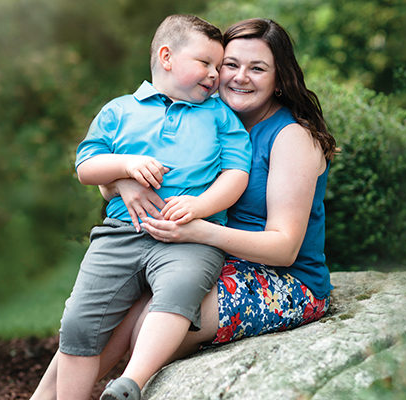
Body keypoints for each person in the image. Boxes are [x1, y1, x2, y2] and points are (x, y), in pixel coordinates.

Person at [30, 17, 336, 400]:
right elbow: (112, 184)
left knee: (147, 322)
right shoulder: (203, 116)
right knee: (103, 310)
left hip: (283, 277)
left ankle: (125, 388)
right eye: (230, 65)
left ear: (280, 78)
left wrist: (199, 231)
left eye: (258, 68)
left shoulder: (290, 137)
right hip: (200, 250)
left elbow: (285, 248)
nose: (239, 77)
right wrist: (124, 176)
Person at [54, 14, 251, 400]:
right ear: (166, 57)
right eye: (205, 63)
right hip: (120, 235)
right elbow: (86, 166)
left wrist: (199, 205)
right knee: (78, 321)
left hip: (190, 240)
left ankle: (131, 382)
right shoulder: (120, 111)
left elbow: (236, 173)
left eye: (218, 66)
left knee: (179, 291)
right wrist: (125, 166)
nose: (215, 75)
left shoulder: (219, 115)